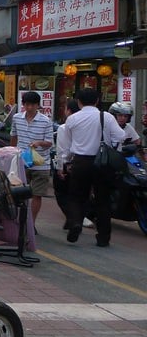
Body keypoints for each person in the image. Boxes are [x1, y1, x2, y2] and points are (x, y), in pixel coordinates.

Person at [63, 87, 125, 247]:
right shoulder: (107, 117)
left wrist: (66, 162)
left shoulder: (72, 119)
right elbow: (121, 136)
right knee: (102, 199)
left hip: (80, 161)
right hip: (102, 162)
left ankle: (75, 223)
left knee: (76, 196)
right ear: (97, 100)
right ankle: (103, 237)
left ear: (78, 101)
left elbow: (69, 145)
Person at [10, 92, 54, 226]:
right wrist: (12, 153)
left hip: (41, 164)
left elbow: (49, 142)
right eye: (27, 104)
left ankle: (31, 224)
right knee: (19, 193)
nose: (29, 108)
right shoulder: (17, 118)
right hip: (22, 162)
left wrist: (39, 143)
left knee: (37, 194)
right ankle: (20, 221)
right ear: (23, 105)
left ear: (37, 105)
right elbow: (13, 136)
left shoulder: (46, 121)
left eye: (32, 105)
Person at [53, 99, 82, 229]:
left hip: (68, 164)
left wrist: (60, 167)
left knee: (61, 193)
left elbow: (62, 150)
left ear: (68, 111)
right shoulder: (86, 125)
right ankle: (72, 220)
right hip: (84, 163)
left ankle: (73, 219)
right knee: (77, 194)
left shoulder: (64, 128)